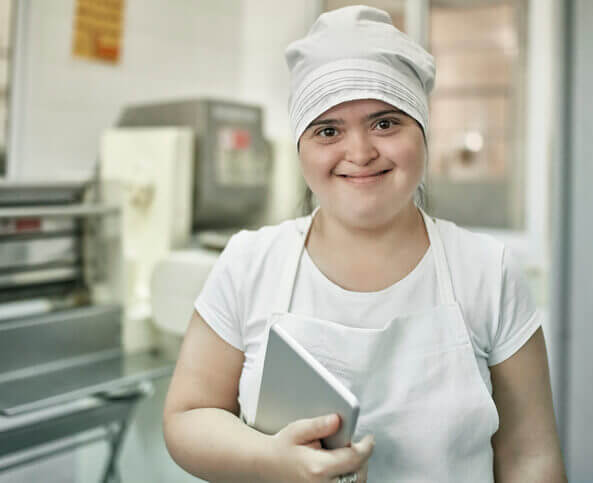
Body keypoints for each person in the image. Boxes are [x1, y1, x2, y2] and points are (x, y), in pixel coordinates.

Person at [163, 6, 566, 482]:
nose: (359, 153)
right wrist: (271, 460)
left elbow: (529, 454)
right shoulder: (250, 263)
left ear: (422, 132)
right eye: (328, 130)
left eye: (385, 123)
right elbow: (187, 417)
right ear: (300, 147)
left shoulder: (487, 271)